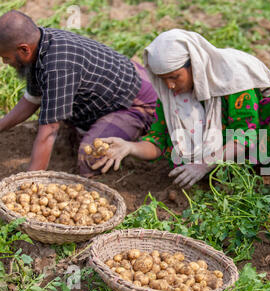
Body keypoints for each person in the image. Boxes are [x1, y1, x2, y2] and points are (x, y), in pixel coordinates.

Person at [92, 29, 270, 188]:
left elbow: (247, 134)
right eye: (163, 79)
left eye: (175, 77)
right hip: (222, 155)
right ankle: (229, 172)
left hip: (261, 140)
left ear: (194, 65)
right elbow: (158, 141)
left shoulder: (230, 77)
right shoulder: (170, 94)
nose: (169, 85)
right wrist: (129, 147)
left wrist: (203, 164)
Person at [0, 10, 158, 177]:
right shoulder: (39, 43)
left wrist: (30, 181)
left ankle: (134, 136)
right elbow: (32, 99)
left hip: (135, 102)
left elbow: (49, 131)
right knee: (59, 121)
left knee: (90, 156)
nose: (5, 62)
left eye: (6, 57)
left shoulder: (58, 65)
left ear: (24, 49)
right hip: (113, 88)